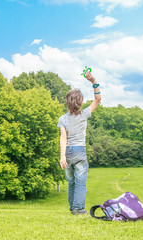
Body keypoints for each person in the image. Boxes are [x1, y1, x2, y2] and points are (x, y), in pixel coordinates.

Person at [57, 71, 101, 215]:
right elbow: (98, 99)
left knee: (72, 183)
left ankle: (73, 208)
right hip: (79, 151)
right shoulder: (85, 114)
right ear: (81, 102)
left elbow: (63, 138)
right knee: (81, 182)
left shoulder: (62, 118)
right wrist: (93, 81)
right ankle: (78, 209)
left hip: (68, 153)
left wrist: (62, 156)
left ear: (67, 103)